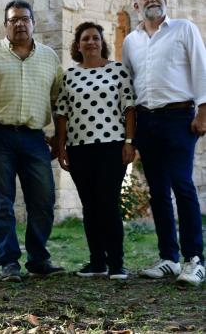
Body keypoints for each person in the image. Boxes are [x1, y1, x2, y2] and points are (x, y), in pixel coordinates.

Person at [122, 0, 206, 286]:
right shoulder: (130, 41)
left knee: (182, 185)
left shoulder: (184, 29)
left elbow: (201, 68)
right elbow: (129, 84)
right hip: (147, 121)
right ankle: (169, 258)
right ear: (137, 6)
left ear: (165, 0)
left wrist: (203, 111)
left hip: (179, 117)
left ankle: (195, 259)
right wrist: (130, 134)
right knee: (157, 191)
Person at [0, 0, 64, 282]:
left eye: (24, 18)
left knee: (43, 199)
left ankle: (38, 258)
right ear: (5, 25)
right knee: (2, 202)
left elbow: (58, 101)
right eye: (13, 19)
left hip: (34, 138)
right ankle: (9, 262)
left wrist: (59, 139)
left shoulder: (50, 57)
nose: (19, 23)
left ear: (33, 23)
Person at [55, 22, 136, 280]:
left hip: (112, 146)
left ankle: (116, 264)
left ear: (102, 43)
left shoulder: (117, 70)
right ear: (77, 45)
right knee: (89, 206)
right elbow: (62, 114)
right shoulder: (69, 76)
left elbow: (129, 108)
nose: (90, 42)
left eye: (95, 38)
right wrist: (61, 147)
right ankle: (97, 262)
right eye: (85, 39)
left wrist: (129, 141)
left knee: (108, 203)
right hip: (79, 148)